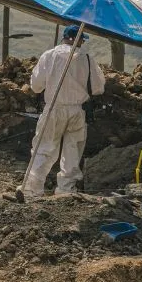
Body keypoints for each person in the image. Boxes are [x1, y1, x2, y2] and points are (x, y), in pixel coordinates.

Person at [20, 25, 106, 198]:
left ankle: (32, 190)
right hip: (77, 111)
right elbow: (98, 88)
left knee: (44, 148)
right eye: (82, 39)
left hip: (54, 108)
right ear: (79, 40)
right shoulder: (87, 58)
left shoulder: (49, 55)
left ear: (64, 37)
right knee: (72, 152)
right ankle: (66, 191)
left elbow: (36, 86)